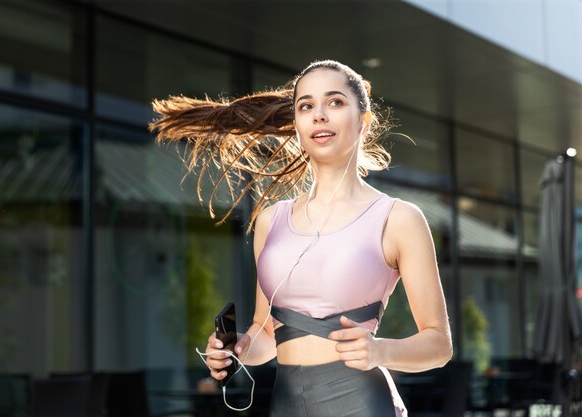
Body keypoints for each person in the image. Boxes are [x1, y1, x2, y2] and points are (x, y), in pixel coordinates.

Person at [150, 59, 453, 417]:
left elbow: (439, 344)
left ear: (364, 123)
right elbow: (266, 337)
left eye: (335, 102)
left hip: (362, 404)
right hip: (286, 405)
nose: (319, 115)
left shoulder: (399, 219)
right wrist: (239, 350)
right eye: (306, 106)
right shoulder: (270, 221)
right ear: (297, 126)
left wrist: (380, 350)